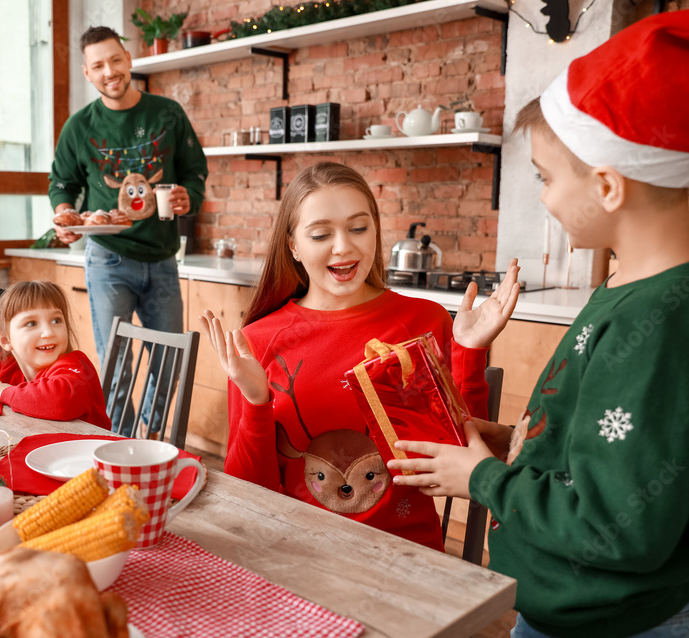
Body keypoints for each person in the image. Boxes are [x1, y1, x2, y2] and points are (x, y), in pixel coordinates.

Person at [388, 9, 689, 638]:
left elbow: (617, 526)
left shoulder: (664, 325)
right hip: (568, 624)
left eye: (544, 176)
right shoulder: (631, 290)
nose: (543, 195)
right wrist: (505, 444)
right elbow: (595, 454)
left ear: (607, 186)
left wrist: (482, 477)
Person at [199, 162, 519, 550]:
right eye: (320, 234)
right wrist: (256, 402)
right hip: (294, 550)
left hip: (406, 552)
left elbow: (467, 453)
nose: (344, 247)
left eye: (358, 228)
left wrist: (470, 350)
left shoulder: (423, 319)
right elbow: (250, 493)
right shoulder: (260, 341)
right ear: (293, 246)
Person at [49, 25, 208, 436]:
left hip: (162, 259)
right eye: (98, 65)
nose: (110, 71)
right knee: (116, 366)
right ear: (87, 73)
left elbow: (194, 173)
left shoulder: (167, 113)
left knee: (167, 363)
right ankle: (117, 445)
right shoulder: (79, 127)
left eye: (115, 60)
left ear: (128, 60)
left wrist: (188, 196)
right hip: (108, 259)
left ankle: (150, 441)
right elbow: (62, 185)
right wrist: (66, 214)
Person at [0, 281, 111, 430]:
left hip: (89, 456)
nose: (48, 332)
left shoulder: (75, 366)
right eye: (31, 323)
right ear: (5, 340)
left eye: (56, 320)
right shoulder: (5, 362)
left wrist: (2, 391)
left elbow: (60, 401)